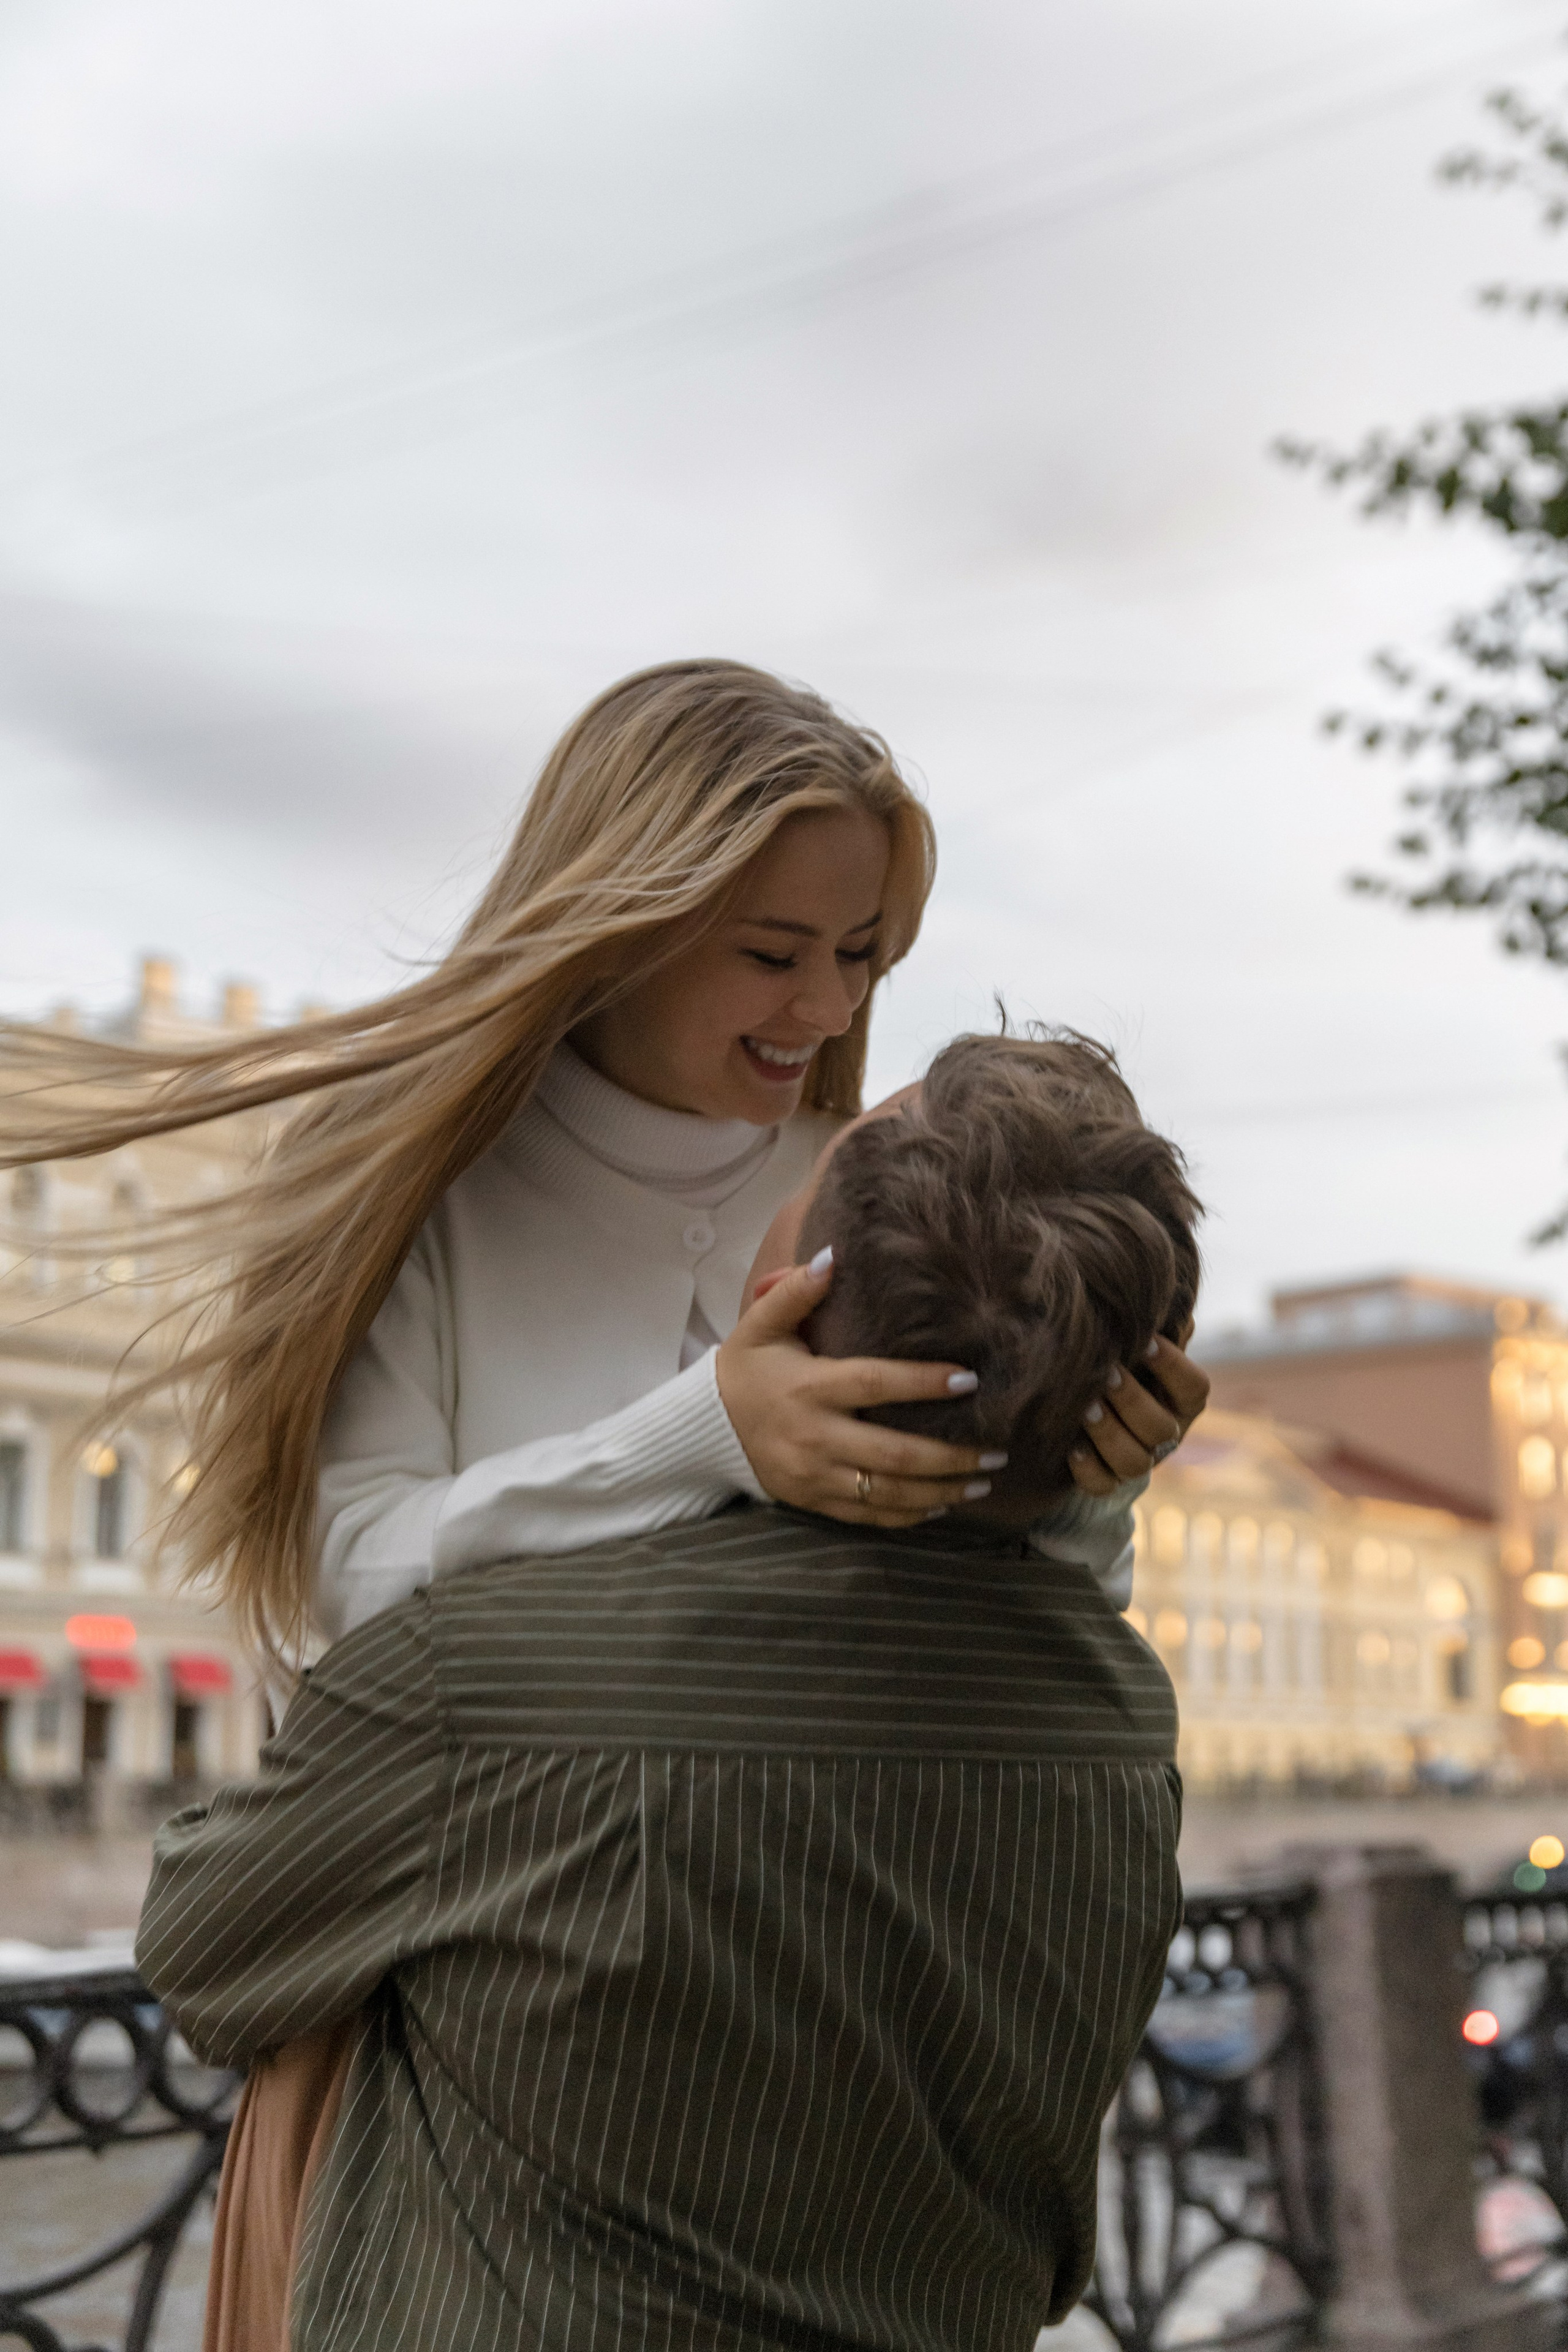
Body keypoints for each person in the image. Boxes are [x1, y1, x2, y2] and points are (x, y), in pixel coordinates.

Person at [7, 661, 1207, 2343]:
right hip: (483, 2018)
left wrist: (1088, 1485)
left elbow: (966, 1622)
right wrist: (701, 1437)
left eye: (863, 955)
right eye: (772, 951)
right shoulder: (421, 1171)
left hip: (804, 1996)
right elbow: (360, 1582)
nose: (821, 1007)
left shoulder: (867, 1182)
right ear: (622, 918)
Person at [137, 1028, 1199, 2352]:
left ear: (781, 1293)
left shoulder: (477, 1673)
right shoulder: (1118, 1722)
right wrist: (1074, 1468)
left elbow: (202, 1952)